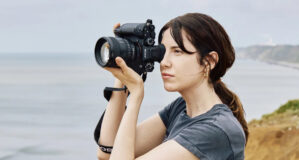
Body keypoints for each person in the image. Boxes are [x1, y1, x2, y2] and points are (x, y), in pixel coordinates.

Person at [94, 12, 249, 160]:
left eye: (177, 51)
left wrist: (135, 97)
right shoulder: (181, 108)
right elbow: (107, 152)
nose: (164, 62)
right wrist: (122, 70)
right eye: (163, 51)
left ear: (209, 61)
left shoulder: (216, 130)